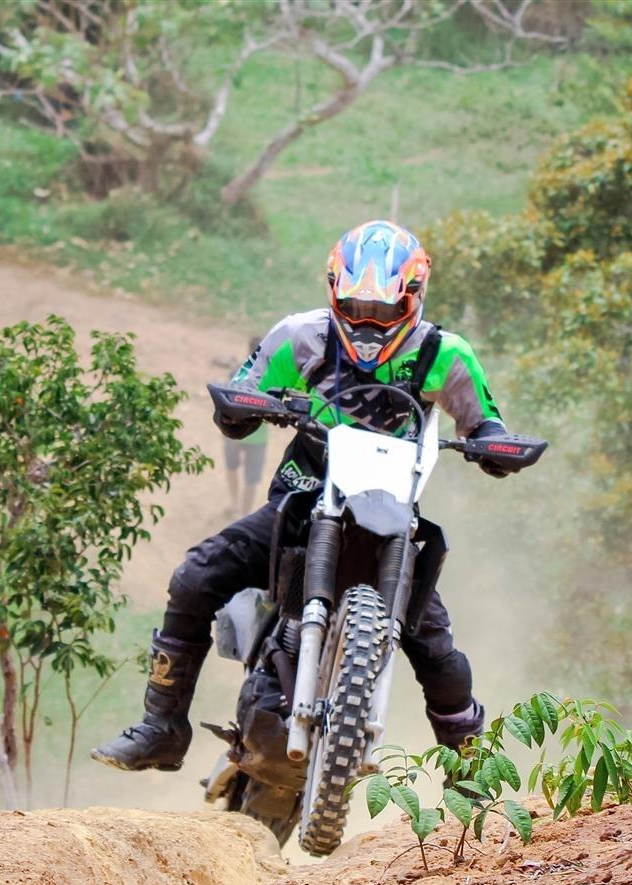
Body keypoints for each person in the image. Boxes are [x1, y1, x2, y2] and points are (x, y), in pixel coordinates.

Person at [92, 219, 512, 773]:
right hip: (301, 500)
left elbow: (485, 421)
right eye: (356, 307)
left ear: (413, 297)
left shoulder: (444, 353)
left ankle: (472, 779)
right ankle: (161, 727)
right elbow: (245, 389)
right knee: (194, 576)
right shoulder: (300, 336)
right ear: (334, 291)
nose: (367, 322)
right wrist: (240, 407)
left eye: (382, 310)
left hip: (390, 516)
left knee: (437, 649)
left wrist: (493, 445)